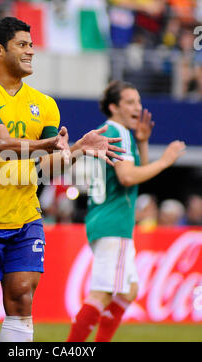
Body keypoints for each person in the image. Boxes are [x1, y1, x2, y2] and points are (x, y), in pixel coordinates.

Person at [0, 17, 125, 343]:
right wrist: (46, 144)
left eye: (32, 45)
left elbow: (47, 167)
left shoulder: (44, 105)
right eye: (23, 45)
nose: (31, 51)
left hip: (25, 218)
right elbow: (0, 144)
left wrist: (77, 150)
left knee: (22, 300)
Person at [66, 80, 186, 342]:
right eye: (130, 102)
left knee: (128, 290)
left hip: (105, 219)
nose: (138, 107)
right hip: (114, 221)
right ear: (113, 107)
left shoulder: (110, 130)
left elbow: (135, 171)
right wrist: (165, 161)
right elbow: (129, 177)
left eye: (139, 102)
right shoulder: (115, 131)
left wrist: (142, 142)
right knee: (102, 293)